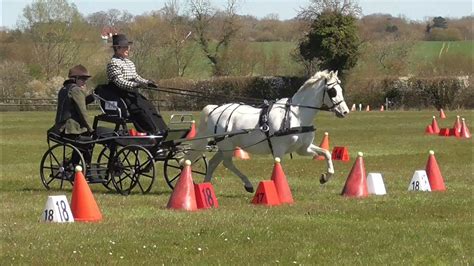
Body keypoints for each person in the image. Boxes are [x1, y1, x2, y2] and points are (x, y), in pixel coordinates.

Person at [106, 33, 168, 135]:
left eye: (128, 46)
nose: (128, 49)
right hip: (122, 94)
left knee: (150, 107)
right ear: (117, 48)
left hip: (132, 92)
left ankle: (163, 130)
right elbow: (119, 82)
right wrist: (134, 85)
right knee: (141, 109)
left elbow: (136, 77)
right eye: (125, 47)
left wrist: (147, 82)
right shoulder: (113, 63)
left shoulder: (129, 62)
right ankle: (151, 131)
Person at [51, 64, 94, 164]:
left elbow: (74, 104)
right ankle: (83, 167)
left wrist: (92, 97)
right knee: (89, 142)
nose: (84, 82)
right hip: (71, 129)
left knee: (82, 143)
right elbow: (82, 111)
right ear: (75, 78)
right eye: (82, 79)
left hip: (60, 128)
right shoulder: (76, 90)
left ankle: (74, 164)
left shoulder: (64, 89)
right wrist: (90, 129)